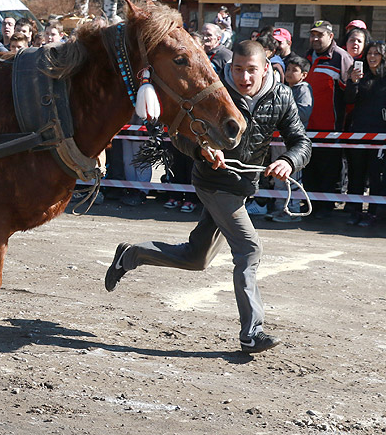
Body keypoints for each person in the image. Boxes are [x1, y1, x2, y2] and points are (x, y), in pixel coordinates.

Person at [105, 40, 311, 355]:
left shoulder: (281, 96)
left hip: (243, 188)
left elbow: (300, 141)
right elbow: (177, 133)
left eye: (251, 70)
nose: (244, 77)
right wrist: (201, 148)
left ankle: (131, 255)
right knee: (249, 250)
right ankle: (252, 332)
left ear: (265, 69)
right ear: (231, 67)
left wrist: (290, 160)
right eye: (238, 69)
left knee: (196, 258)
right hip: (213, 183)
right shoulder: (214, 90)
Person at [304, 20, 353, 218]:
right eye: (313, 34)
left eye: (320, 35)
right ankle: (310, 206)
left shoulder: (341, 57)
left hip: (330, 127)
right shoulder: (306, 56)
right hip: (307, 126)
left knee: (329, 169)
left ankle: (326, 208)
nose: (315, 38)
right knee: (309, 167)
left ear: (330, 36)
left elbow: (350, 95)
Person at [342, 40, 386, 227]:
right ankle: (355, 211)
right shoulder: (361, 75)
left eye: (377, 53)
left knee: (376, 176)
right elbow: (349, 99)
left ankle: (374, 212)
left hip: (380, 135)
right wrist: (353, 82)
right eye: (369, 53)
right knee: (356, 174)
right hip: (358, 132)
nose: (372, 57)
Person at [268, 54, 313, 223]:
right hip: (278, 140)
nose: (289, 73)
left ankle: (292, 210)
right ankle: (280, 208)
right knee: (278, 176)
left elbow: (304, 112)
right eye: (288, 69)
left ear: (304, 74)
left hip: (293, 142)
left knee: (292, 176)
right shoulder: (283, 89)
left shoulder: (303, 89)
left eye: (294, 70)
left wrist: (284, 115)